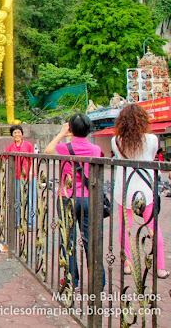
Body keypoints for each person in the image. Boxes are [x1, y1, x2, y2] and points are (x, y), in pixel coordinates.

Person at [45, 113, 105, 290]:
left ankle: (72, 279)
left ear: (70, 129)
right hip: (88, 197)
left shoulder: (64, 147)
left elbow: (48, 151)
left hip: (67, 197)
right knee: (90, 239)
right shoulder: (94, 149)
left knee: (68, 239)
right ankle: (98, 281)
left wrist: (62, 133)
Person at [111, 104, 168, 278]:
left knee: (125, 228)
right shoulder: (152, 139)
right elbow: (150, 158)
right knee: (153, 228)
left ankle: (127, 264)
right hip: (145, 189)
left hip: (124, 189)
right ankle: (160, 267)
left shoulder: (116, 141)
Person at [4, 125, 36, 230]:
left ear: (22, 134)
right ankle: (16, 222)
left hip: (28, 176)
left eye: (19, 132)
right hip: (17, 177)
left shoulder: (28, 145)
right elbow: (2, 157)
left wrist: (31, 173)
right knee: (17, 199)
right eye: (15, 133)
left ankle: (30, 224)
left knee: (31, 199)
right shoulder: (10, 147)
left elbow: (33, 159)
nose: (17, 134)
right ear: (12, 135)